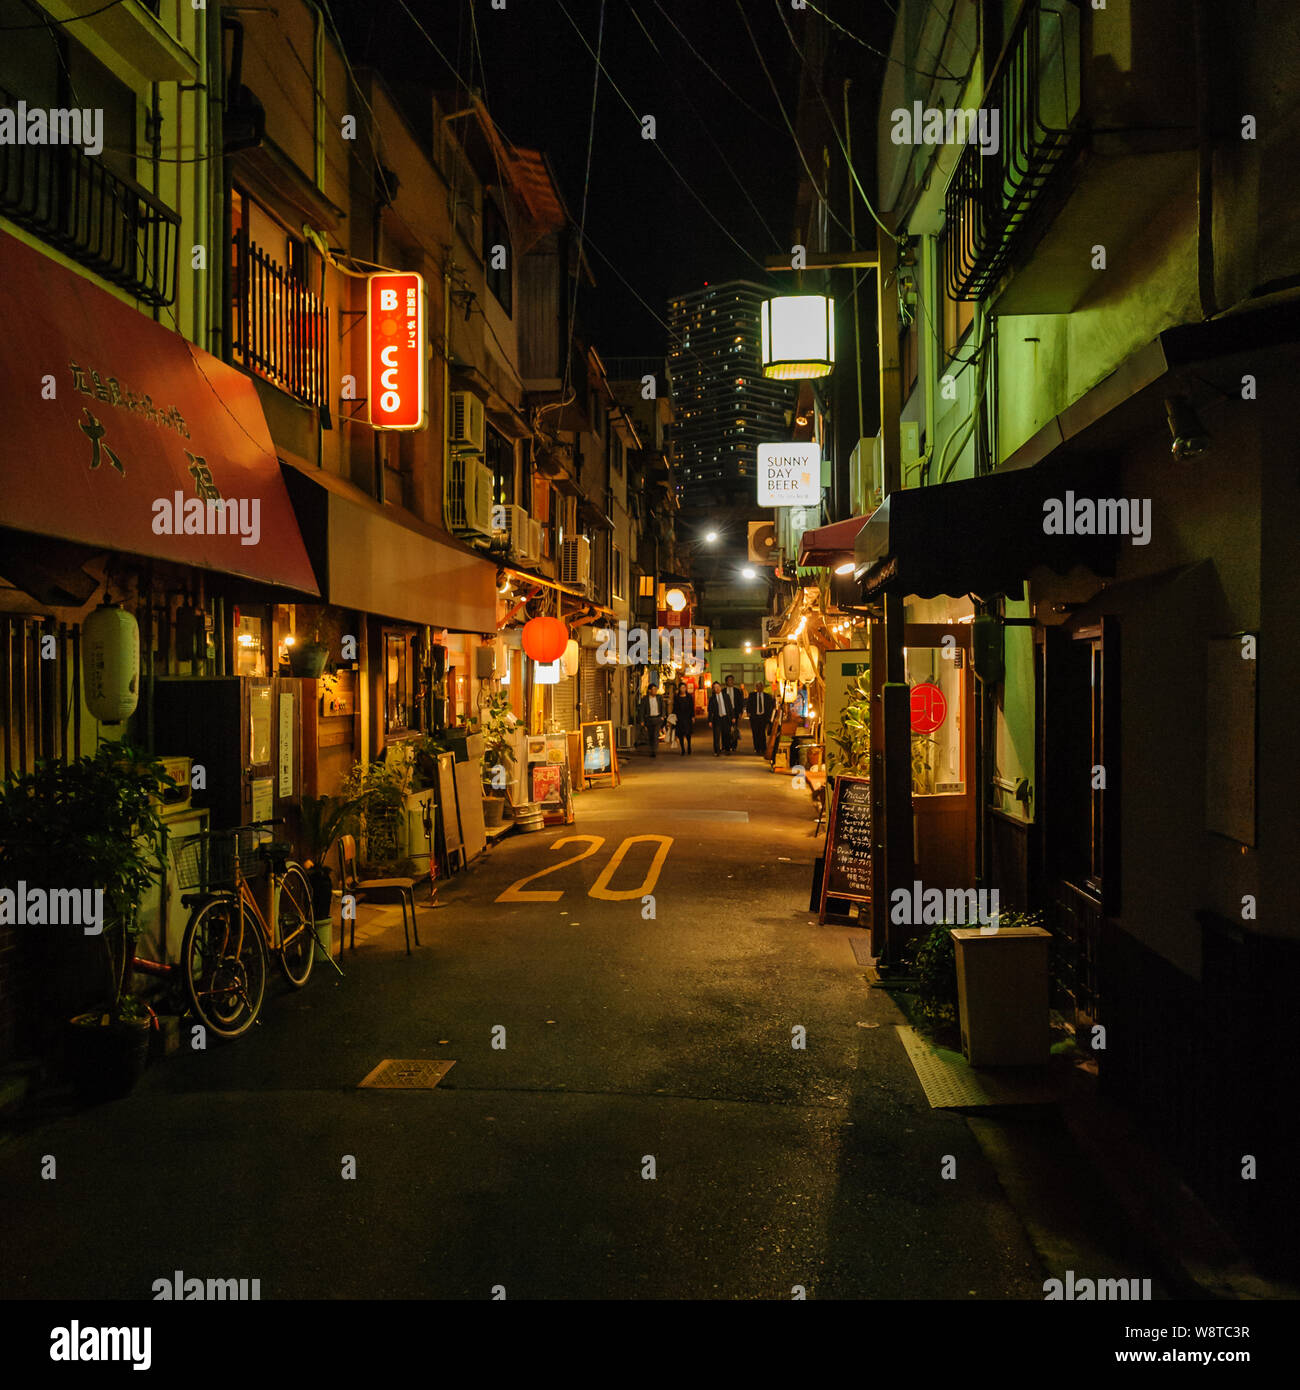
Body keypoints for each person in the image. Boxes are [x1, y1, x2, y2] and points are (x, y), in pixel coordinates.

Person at [639, 681, 664, 758]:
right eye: (653, 689)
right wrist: (642, 720)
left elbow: (663, 707)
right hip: (649, 719)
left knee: (656, 735)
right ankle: (651, 749)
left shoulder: (659, 698)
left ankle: (654, 751)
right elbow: (642, 710)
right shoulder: (645, 699)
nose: (655, 691)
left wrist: (662, 716)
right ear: (649, 690)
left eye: (656, 689)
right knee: (650, 735)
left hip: (657, 719)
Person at [748, 682, 774, 755]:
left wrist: (768, 717)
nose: (759, 688)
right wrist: (749, 713)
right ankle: (757, 748)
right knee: (755, 733)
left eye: (760, 686)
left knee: (762, 732)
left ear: (763, 687)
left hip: (763, 717)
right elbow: (749, 705)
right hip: (755, 717)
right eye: (757, 686)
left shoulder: (767, 696)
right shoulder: (752, 695)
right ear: (756, 687)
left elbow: (770, 707)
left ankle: (763, 748)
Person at [708, 680, 732, 756]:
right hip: (717, 718)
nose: (717, 689)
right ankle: (717, 751)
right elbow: (710, 710)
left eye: (718, 687)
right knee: (716, 736)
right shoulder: (712, 698)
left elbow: (730, 707)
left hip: (725, 718)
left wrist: (733, 717)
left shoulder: (726, 696)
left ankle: (727, 749)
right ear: (713, 689)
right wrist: (710, 721)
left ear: (720, 687)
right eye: (715, 687)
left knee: (726, 734)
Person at [721, 674, 743, 752]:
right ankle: (725, 745)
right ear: (726, 682)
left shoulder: (737, 691)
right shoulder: (723, 691)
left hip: (734, 712)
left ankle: (734, 745)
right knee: (725, 729)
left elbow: (740, 702)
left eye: (732, 680)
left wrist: (740, 712)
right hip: (725, 712)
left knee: (734, 729)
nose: (730, 681)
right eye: (729, 680)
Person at [673, 681, 694, 756]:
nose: (683, 689)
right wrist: (674, 717)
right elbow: (674, 708)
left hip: (687, 717)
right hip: (680, 718)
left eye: (684, 687)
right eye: (682, 687)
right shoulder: (676, 697)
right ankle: (682, 749)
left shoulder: (689, 697)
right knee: (680, 734)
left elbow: (692, 707)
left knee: (688, 733)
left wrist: (692, 716)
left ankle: (689, 746)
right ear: (679, 689)